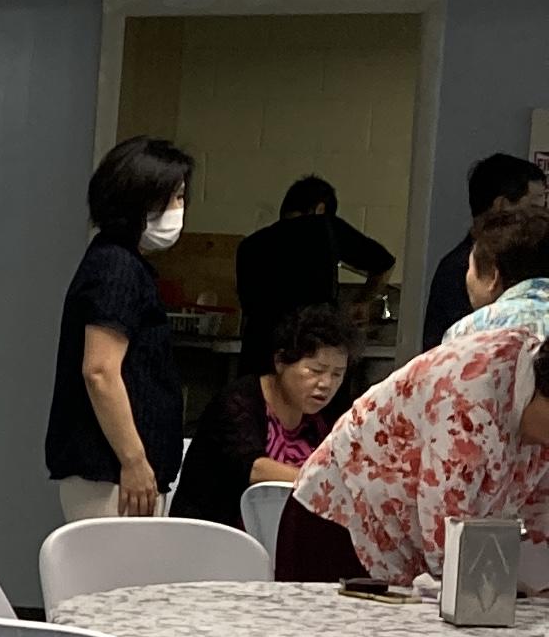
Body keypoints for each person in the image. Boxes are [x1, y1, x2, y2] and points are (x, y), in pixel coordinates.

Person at [278, 183, 549, 590]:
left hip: (417, 539)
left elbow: (538, 519)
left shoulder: (524, 371)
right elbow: (448, 531)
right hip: (346, 518)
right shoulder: (473, 382)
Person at [44, 134, 194, 523]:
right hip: (112, 476)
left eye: (181, 197)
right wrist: (134, 460)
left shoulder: (122, 263)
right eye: (171, 197)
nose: (179, 209)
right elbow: (100, 371)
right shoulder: (117, 267)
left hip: (122, 476)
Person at [170, 305, 355, 528]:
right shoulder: (239, 402)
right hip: (214, 535)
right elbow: (253, 468)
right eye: (316, 370)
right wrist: (323, 482)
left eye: (337, 374)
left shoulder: (325, 417)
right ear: (280, 361)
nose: (326, 384)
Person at [230, 175, 395, 374]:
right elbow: (384, 263)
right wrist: (362, 301)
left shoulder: (249, 245)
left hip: (258, 354)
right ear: (321, 209)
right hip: (310, 355)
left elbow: (247, 305)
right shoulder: (325, 226)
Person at [422, 150, 542, 349]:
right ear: (502, 205)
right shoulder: (459, 268)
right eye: (536, 204)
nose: (542, 213)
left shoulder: (525, 257)